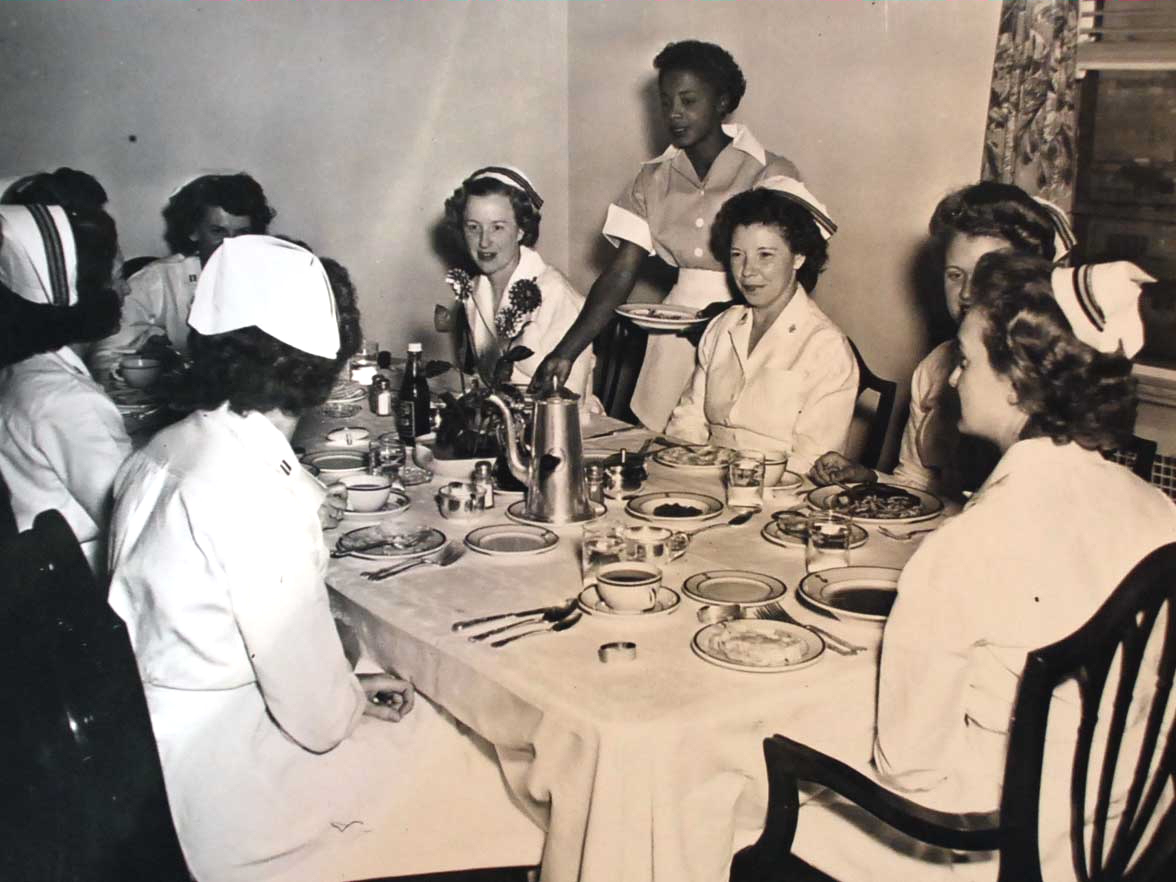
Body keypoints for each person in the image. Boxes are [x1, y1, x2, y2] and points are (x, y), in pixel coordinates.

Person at [106, 235, 541, 882]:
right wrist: (340, 694)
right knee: (510, 784)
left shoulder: (162, 451)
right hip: (239, 801)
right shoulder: (253, 491)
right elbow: (315, 722)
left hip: (164, 760)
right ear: (324, 363)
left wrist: (344, 687)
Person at [789, 253, 1175, 881]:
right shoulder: (1160, 510)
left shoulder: (968, 543)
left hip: (1001, 848)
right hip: (1127, 829)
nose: (950, 383)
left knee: (755, 801)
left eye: (966, 362)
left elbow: (908, 767)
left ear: (1019, 383)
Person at [530, 40, 801, 430]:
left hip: (752, 331)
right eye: (665, 101)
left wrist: (729, 314)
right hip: (672, 339)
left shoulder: (770, 172)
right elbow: (620, 274)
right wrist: (566, 351)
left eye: (688, 100)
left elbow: (796, 271)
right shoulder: (652, 178)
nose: (674, 114)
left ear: (722, 102)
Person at [810, 182, 1072, 499]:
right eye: (954, 274)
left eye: (985, 272)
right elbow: (915, 484)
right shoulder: (936, 368)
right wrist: (867, 478)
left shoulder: (1059, 378)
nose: (965, 292)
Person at [665, 178, 855, 474]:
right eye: (737, 255)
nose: (748, 271)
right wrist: (687, 471)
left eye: (765, 255)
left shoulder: (825, 347)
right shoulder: (722, 327)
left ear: (799, 257)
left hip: (782, 496)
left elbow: (810, 463)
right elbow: (687, 423)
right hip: (705, 481)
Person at [0, 203, 130, 575]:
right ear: (87, 295)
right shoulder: (70, 400)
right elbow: (137, 519)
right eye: (118, 276)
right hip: (80, 584)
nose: (127, 288)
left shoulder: (22, 368)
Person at [440, 165, 600, 409]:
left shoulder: (554, 292)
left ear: (521, 230)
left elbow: (568, 400)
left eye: (498, 227)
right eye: (473, 227)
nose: (484, 241)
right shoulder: (474, 291)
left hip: (562, 429)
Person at [88, 172, 275, 375]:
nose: (230, 245)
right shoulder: (159, 280)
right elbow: (106, 357)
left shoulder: (275, 278)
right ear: (193, 231)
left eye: (242, 234)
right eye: (218, 231)